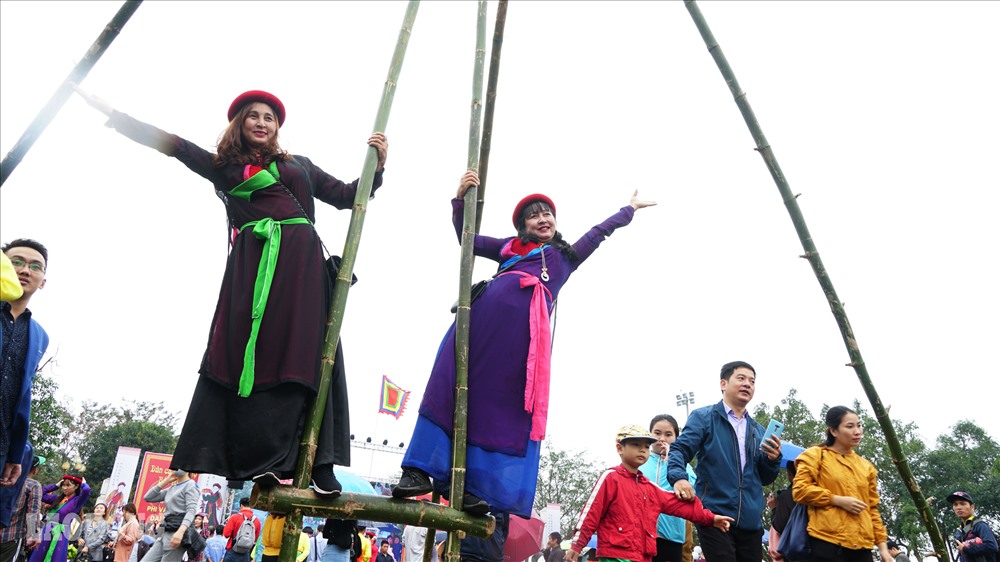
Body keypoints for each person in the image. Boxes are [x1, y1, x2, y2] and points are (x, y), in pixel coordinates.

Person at [72, 85, 390, 495]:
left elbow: (348, 196)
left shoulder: (301, 166)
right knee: (252, 355)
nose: (261, 122)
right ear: (240, 124)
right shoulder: (221, 166)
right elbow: (172, 145)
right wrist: (115, 114)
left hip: (302, 268)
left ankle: (320, 464)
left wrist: (377, 167)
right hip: (253, 268)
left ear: (277, 128)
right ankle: (262, 461)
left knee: (309, 353)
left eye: (269, 117)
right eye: (253, 115)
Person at [394, 170, 656, 516]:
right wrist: (460, 200)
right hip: (478, 326)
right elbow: (466, 238)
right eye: (533, 215)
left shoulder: (566, 257)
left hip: (521, 347)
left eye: (547, 213)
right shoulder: (508, 248)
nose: (542, 218)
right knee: (449, 382)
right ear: (523, 226)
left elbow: (597, 234)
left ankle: (469, 486)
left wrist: (628, 210)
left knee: (499, 407)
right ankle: (419, 472)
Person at [667, 361, 782, 562]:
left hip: (751, 522)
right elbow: (679, 449)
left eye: (752, 381)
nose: (748, 384)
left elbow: (764, 478)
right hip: (715, 516)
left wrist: (773, 460)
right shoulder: (703, 417)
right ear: (723, 384)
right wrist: (678, 477)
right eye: (741, 378)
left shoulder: (758, 431)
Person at [567, 425, 733, 562]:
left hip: (643, 556)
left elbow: (679, 507)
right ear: (619, 448)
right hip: (615, 555)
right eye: (635, 445)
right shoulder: (611, 478)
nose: (642, 450)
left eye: (646, 446)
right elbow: (591, 514)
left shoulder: (649, 487)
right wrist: (577, 545)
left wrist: (711, 518)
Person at [791, 406, 892, 562]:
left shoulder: (866, 466)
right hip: (827, 543)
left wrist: (883, 548)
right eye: (850, 426)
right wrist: (837, 500)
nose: (857, 431)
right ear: (834, 431)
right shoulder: (816, 455)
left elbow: (872, 508)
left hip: (862, 547)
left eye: (859, 425)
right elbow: (800, 491)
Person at [1, 239, 49, 490]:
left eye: (35, 266)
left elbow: (23, 394)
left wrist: (15, 453)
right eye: (15, 262)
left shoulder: (40, 336)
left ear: (42, 282)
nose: (24, 270)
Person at [640, 414, 695, 562]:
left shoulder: (683, 465)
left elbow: (692, 490)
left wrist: (671, 460)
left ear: (676, 438)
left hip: (672, 536)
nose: (662, 438)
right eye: (657, 433)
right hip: (640, 536)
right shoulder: (639, 462)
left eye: (668, 434)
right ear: (650, 435)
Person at [28, 474, 91, 562]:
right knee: (39, 555)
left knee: (56, 557)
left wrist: (83, 484)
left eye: (68, 485)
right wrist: (55, 486)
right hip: (47, 530)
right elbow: (40, 494)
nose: (65, 488)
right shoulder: (57, 499)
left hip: (61, 533)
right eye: (63, 485)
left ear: (76, 486)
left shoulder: (77, 501)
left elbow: (87, 490)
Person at [141, 470, 200, 562]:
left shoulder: (191, 484)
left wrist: (180, 532)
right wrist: (166, 481)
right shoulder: (172, 488)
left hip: (177, 533)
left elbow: (191, 511)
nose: (177, 468)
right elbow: (148, 497)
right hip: (164, 533)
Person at [0, 454, 42, 562]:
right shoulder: (33, 485)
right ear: (35, 470)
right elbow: (32, 513)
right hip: (10, 538)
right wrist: (33, 535)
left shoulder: (3, 479)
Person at [948, 491, 998, 562]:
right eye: (955, 504)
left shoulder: (980, 525)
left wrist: (965, 549)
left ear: (972, 507)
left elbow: (992, 546)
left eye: (962, 504)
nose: (958, 507)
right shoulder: (959, 531)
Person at [767, 463, 798, 562]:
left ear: (790, 474)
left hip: (791, 551)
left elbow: (779, 526)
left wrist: (774, 508)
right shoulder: (815, 494)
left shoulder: (786, 497)